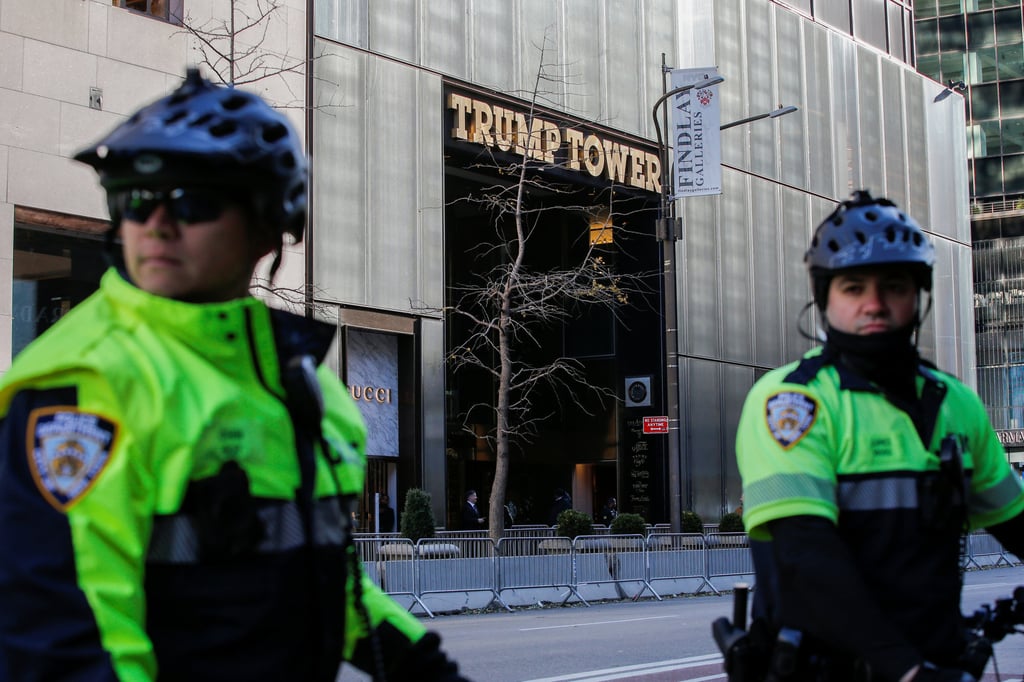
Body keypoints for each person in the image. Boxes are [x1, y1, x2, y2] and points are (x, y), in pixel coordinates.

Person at [0, 69, 469, 682]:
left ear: (271, 222)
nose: (158, 224)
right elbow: (67, 633)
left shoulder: (299, 379)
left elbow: (326, 576)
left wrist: (423, 667)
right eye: (136, 199)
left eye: (193, 201)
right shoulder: (86, 384)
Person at [735, 190, 1024, 682]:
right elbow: (806, 558)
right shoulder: (793, 402)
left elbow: (1015, 521)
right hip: (832, 670)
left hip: (939, 659)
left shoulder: (957, 402)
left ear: (917, 296)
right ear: (825, 296)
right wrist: (906, 671)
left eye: (893, 286)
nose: (874, 304)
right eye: (853, 287)